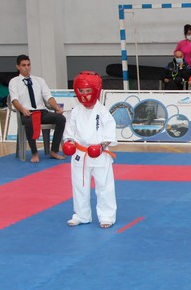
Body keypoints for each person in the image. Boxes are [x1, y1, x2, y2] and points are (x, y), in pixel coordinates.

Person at [63, 71, 118, 228]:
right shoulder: (75, 112)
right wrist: (69, 142)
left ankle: (106, 216)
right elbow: (69, 133)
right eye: (81, 91)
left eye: (88, 91)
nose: (85, 94)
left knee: (104, 186)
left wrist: (101, 146)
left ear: (96, 91)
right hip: (80, 154)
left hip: (99, 154)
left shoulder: (103, 112)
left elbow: (110, 135)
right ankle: (81, 215)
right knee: (79, 186)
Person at [8, 54, 66, 163]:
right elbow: (14, 100)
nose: (27, 68)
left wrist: (56, 107)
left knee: (61, 119)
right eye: (23, 65)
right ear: (18, 67)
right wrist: (23, 110)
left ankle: (54, 151)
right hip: (27, 113)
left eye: (28, 65)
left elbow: (48, 97)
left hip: (42, 112)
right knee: (29, 122)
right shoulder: (14, 82)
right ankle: (34, 153)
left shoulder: (39, 80)